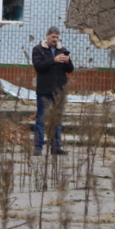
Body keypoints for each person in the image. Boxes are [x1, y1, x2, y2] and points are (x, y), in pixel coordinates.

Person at [32, 26, 74, 155]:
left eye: (57, 37)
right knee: (41, 119)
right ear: (47, 35)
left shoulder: (62, 50)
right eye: (53, 37)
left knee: (57, 120)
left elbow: (70, 69)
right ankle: (38, 148)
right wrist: (53, 60)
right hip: (44, 90)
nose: (55, 39)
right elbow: (38, 66)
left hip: (59, 91)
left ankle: (55, 147)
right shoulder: (38, 49)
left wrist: (67, 61)